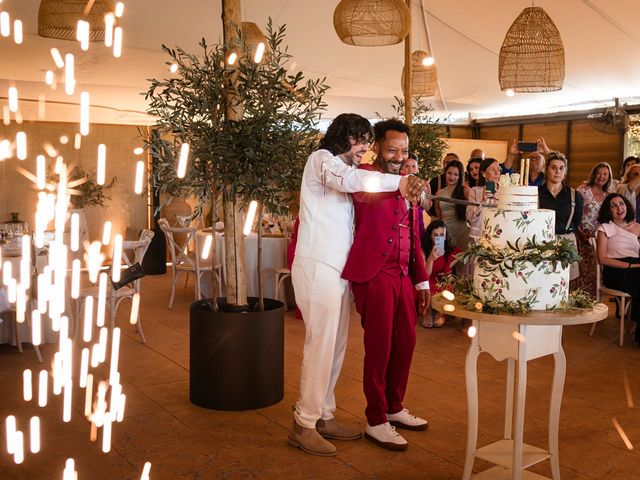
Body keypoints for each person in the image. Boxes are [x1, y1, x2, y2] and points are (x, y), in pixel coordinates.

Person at [288, 113, 424, 457]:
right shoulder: (321, 161)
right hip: (317, 263)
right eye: (361, 140)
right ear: (346, 138)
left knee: (335, 346)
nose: (365, 148)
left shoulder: (347, 172)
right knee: (320, 345)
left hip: (337, 270)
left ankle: (324, 414)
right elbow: (351, 180)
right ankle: (303, 423)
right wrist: (400, 183)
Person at [342, 119, 431, 452]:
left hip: (403, 274)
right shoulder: (367, 176)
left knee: (405, 343)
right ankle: (376, 420)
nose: (399, 155)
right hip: (375, 274)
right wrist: (401, 182)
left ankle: (395, 406)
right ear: (378, 147)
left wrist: (422, 282)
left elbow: (411, 232)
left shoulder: (406, 184)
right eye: (393, 149)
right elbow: (370, 188)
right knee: (378, 348)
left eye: (404, 150)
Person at [595, 193, 640, 345]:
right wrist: (630, 266)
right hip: (616, 270)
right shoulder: (605, 228)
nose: (619, 208)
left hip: (636, 267)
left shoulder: (637, 227)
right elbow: (602, 259)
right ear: (609, 211)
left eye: (621, 203)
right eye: (613, 206)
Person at [538, 151, 583, 282]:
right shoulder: (537, 193)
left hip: (566, 240)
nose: (557, 171)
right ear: (546, 170)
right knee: (543, 279)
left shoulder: (575, 195)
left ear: (565, 171)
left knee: (565, 282)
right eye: (553, 167)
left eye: (561, 168)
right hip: (543, 241)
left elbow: (577, 221)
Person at [575, 162, 613, 296]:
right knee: (580, 270)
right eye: (598, 173)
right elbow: (574, 213)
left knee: (596, 271)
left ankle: (594, 302)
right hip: (581, 236)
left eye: (605, 174)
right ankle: (578, 300)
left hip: (599, 239)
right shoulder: (582, 190)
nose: (601, 177)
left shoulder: (608, 196)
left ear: (609, 178)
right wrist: (580, 233)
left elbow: (609, 219)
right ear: (593, 174)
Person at [420, 220, 461, 328]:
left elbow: (448, 275)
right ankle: (428, 310)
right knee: (425, 285)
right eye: (435, 235)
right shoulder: (423, 250)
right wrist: (431, 260)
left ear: (446, 236)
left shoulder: (450, 250)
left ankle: (439, 311)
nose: (439, 238)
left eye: (442, 235)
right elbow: (424, 276)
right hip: (428, 280)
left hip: (443, 281)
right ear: (430, 236)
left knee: (447, 285)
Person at [435, 159, 470, 251]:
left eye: (456, 174)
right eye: (449, 173)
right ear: (445, 173)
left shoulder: (465, 190)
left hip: (462, 231)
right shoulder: (439, 193)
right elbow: (439, 214)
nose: (452, 177)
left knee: (462, 262)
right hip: (444, 231)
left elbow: (473, 211)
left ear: (460, 176)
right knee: (441, 259)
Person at [466, 158, 502, 242]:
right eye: (492, 169)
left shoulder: (504, 191)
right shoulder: (475, 191)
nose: (497, 172)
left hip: (499, 234)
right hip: (478, 237)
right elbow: (470, 217)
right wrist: (482, 201)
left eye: (498, 169)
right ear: (483, 173)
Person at [428, 152, 459, 217]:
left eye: (448, 163)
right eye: (444, 162)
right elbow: (428, 202)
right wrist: (434, 217)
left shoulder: (464, 185)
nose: (445, 166)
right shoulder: (435, 181)